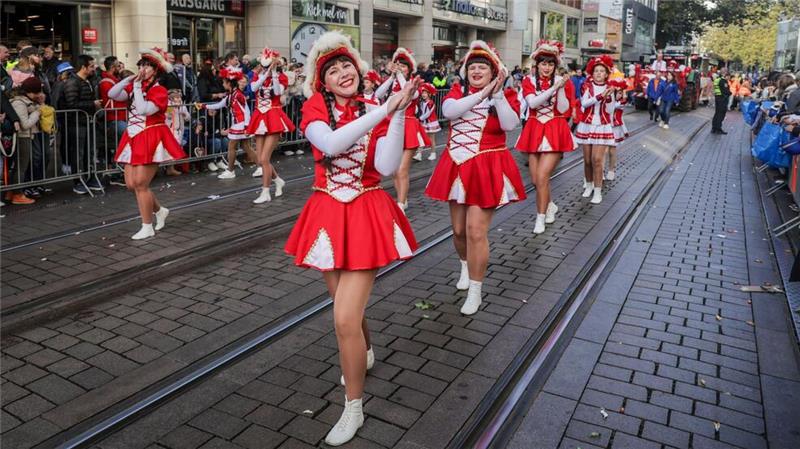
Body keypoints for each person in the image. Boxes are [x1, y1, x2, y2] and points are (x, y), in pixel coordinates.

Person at [284, 30, 418, 446]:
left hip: (365, 213)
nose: (343, 72)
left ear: (359, 71)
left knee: (344, 318)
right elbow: (329, 143)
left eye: (348, 65)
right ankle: (365, 351)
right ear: (322, 82)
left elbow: (387, 165)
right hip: (328, 214)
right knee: (348, 310)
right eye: (333, 70)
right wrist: (383, 110)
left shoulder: (375, 109)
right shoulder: (314, 108)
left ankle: (353, 408)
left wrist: (396, 115)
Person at [425, 40, 525, 315]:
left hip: (486, 166)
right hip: (456, 164)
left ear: (494, 72)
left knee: (475, 231)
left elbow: (510, 124)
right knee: (458, 231)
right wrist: (482, 94)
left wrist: (498, 95)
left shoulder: (504, 95)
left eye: (483, 67)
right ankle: (465, 266)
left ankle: (476, 291)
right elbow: (449, 112)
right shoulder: (457, 92)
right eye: (472, 67)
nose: (477, 71)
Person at [107, 47, 187, 240]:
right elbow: (112, 93)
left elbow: (143, 110)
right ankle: (159, 210)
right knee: (131, 184)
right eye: (140, 65)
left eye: (147, 65)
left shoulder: (159, 90)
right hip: (133, 135)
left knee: (141, 184)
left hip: (150, 135)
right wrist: (128, 80)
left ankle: (147, 226)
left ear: (155, 70)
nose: (142, 68)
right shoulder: (136, 86)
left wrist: (135, 87)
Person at [515, 40, 575, 234]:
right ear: (537, 64)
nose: (547, 67)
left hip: (555, 129)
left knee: (542, 176)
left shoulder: (562, 82)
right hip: (534, 129)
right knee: (535, 180)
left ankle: (540, 218)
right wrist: (554, 88)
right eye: (543, 63)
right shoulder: (529, 81)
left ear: (555, 65)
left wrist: (561, 88)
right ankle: (550, 205)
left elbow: (564, 109)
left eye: (550, 64)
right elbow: (532, 104)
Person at [380, 48, 431, 213]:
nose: (399, 68)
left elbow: (412, 96)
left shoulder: (414, 83)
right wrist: (391, 77)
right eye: (397, 65)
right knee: (395, 170)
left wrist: (400, 76)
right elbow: (378, 94)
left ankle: (401, 204)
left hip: (408, 127)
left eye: (403, 66)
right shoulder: (393, 84)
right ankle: (403, 199)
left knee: (402, 169)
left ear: (409, 69)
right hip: (392, 127)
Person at [246, 48, 295, 203]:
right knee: (260, 160)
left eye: (267, 66)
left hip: (273, 116)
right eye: (263, 66)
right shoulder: (258, 76)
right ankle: (278, 180)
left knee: (265, 159)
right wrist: (266, 73)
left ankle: (265, 192)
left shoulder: (281, 77)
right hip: (260, 116)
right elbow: (253, 88)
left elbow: (277, 92)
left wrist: (273, 74)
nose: (264, 68)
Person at [199, 66, 256, 179]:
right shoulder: (231, 95)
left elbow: (246, 110)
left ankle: (230, 171)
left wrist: (246, 126)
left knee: (232, 146)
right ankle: (261, 166)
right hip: (240, 123)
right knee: (246, 147)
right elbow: (219, 105)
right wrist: (204, 106)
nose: (222, 84)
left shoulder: (238, 95)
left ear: (229, 83)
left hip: (240, 124)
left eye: (224, 82)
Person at [576, 55, 617, 205]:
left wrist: (610, 97)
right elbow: (584, 104)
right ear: (592, 73)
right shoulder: (587, 86)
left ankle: (598, 191)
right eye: (596, 71)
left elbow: (610, 110)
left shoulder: (610, 88)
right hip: (587, 125)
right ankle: (588, 185)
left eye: (602, 71)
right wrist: (600, 96)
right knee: (587, 161)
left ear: (606, 74)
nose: (599, 73)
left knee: (597, 160)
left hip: (602, 126)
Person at [63, 54, 103, 193]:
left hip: (88, 121)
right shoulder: (73, 82)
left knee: (89, 152)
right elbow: (72, 103)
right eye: (91, 66)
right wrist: (92, 104)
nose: (94, 68)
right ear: (83, 67)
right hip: (77, 123)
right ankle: (78, 181)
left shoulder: (88, 81)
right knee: (78, 154)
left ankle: (90, 178)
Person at [8, 77, 45, 205]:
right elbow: (25, 124)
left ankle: (12, 192)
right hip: (22, 136)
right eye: (37, 92)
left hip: (25, 136)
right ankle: (17, 194)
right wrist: (38, 112)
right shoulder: (19, 103)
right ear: (30, 92)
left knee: (19, 166)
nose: (38, 95)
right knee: (21, 166)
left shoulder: (25, 100)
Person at [417, 82, 440, 161]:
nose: (423, 95)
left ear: (429, 94)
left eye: (425, 93)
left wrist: (420, 119)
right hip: (424, 123)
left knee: (431, 139)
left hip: (431, 123)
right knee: (421, 138)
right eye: (422, 93)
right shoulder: (421, 102)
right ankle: (419, 154)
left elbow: (428, 113)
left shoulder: (431, 103)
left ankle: (433, 153)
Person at [711, 68, 731, 134]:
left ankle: (714, 128)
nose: (729, 77)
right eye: (728, 75)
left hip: (717, 98)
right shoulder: (723, 81)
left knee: (717, 113)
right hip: (722, 99)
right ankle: (718, 129)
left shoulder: (717, 80)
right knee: (721, 114)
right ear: (725, 74)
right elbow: (725, 90)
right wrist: (730, 93)